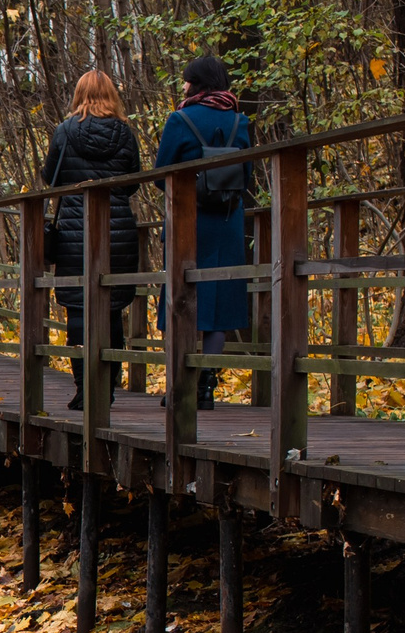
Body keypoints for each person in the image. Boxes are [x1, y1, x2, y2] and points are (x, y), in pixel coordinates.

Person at [40, 69, 143, 412]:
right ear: (112, 95)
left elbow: (50, 179)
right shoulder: (125, 133)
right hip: (118, 231)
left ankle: (85, 388)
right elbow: (132, 183)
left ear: (79, 95)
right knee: (112, 306)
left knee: (78, 308)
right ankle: (108, 387)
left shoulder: (65, 131)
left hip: (74, 228)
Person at [154, 56, 254, 410]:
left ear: (196, 83)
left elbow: (159, 171)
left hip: (188, 219)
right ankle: (205, 388)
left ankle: (180, 385)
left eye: (185, 80)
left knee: (179, 301)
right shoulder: (239, 120)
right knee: (221, 304)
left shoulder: (180, 120)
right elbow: (248, 174)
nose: (182, 86)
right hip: (227, 220)